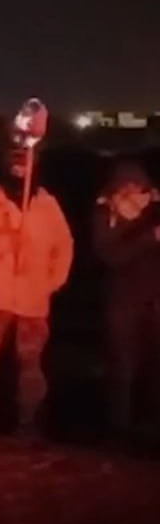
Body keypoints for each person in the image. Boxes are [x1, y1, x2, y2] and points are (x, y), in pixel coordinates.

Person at [0, 147, 73, 438]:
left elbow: (63, 246)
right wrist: (8, 241)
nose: (20, 170)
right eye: (15, 164)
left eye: (26, 164)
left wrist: (51, 282)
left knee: (31, 362)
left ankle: (29, 421)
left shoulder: (48, 206)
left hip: (33, 298)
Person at [91, 158, 160, 444]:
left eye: (137, 185)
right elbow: (110, 255)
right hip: (121, 301)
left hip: (153, 298)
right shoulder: (106, 213)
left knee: (154, 363)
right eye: (126, 186)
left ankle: (152, 421)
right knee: (123, 365)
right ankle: (119, 425)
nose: (132, 192)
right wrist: (148, 239)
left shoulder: (153, 211)